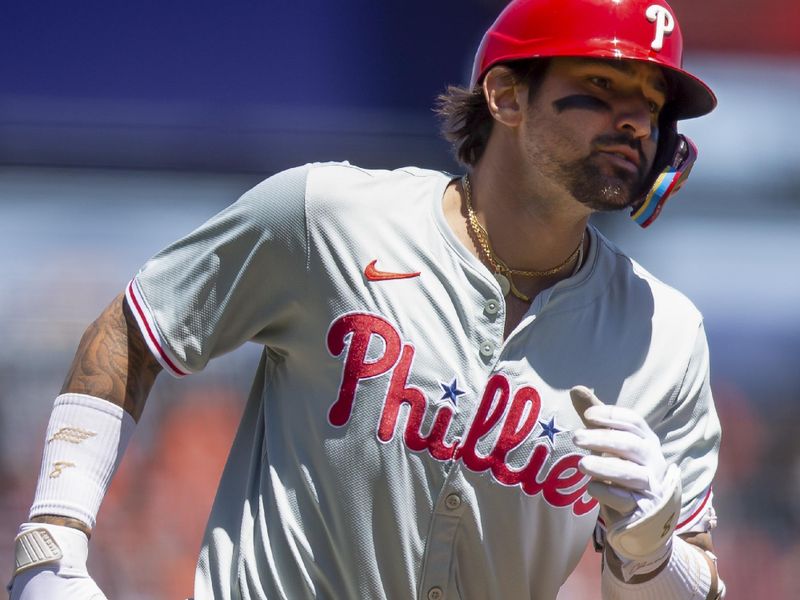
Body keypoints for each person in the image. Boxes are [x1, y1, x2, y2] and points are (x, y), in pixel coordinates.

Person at [8, 0, 725, 598]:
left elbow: (696, 572)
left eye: (653, 105)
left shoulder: (666, 334)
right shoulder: (328, 215)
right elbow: (136, 329)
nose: (635, 121)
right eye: (603, 87)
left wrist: (649, 549)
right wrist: (54, 538)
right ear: (506, 96)